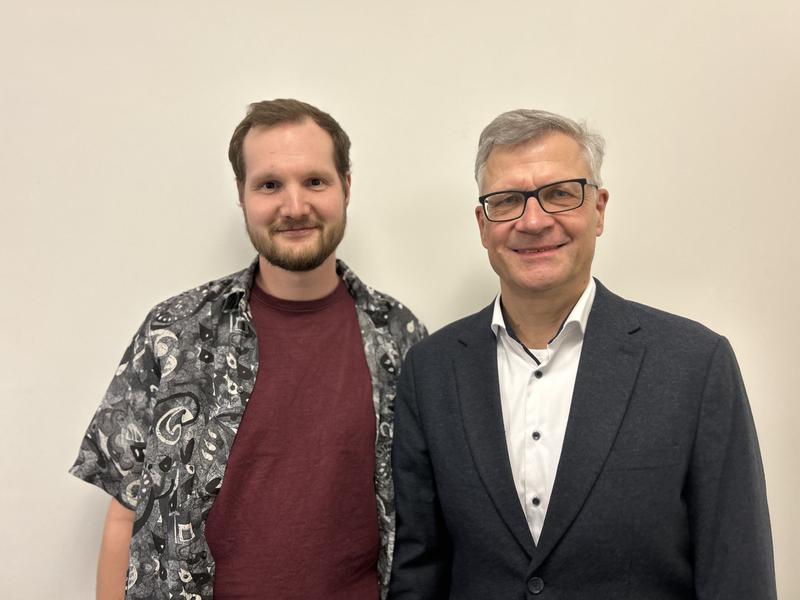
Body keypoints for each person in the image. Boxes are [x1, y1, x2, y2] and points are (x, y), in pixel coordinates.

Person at [389, 109, 776, 599]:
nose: (533, 221)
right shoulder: (431, 370)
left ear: (599, 210)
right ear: (483, 225)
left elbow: (736, 570)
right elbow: (419, 570)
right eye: (507, 200)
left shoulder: (694, 365)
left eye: (559, 194)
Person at [71, 98, 426, 600]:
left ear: (347, 185)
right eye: (269, 184)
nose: (295, 206)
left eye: (315, 181)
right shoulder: (175, 332)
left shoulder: (401, 337)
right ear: (242, 195)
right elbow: (123, 512)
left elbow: (426, 519)